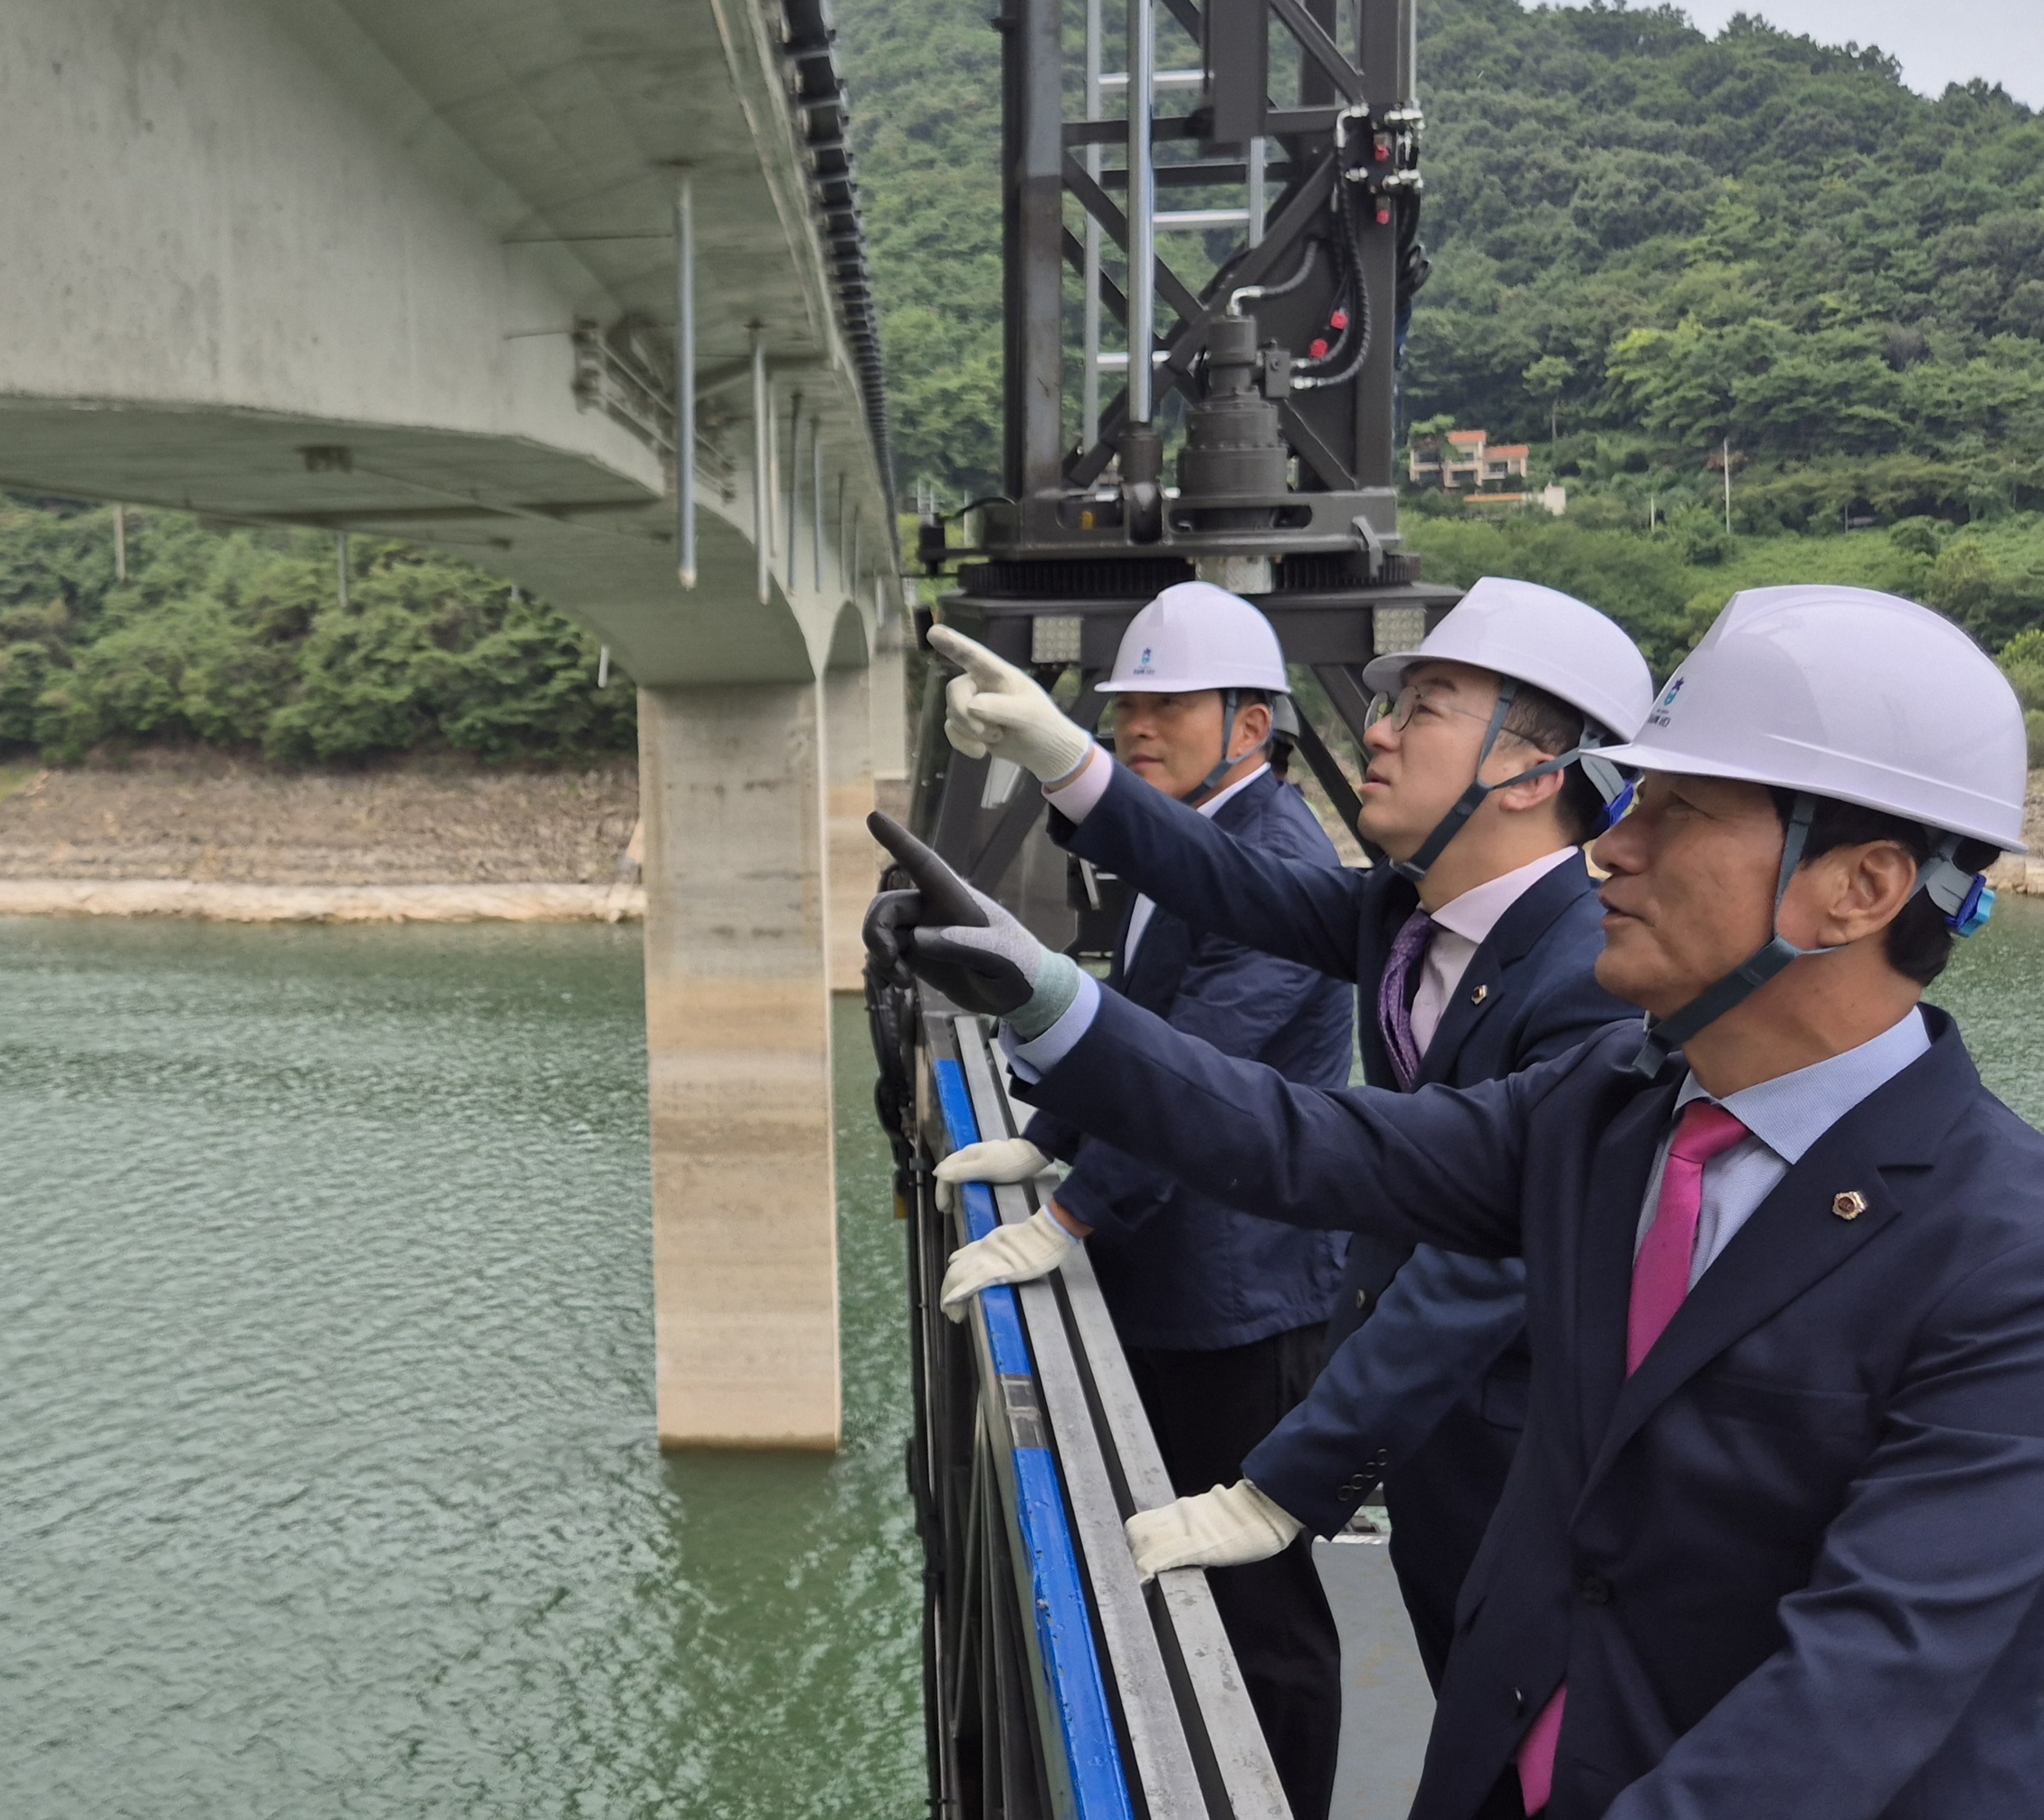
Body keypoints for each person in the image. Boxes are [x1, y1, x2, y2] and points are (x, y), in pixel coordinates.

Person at [876, 585, 2044, 1819]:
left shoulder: (2000, 1257)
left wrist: (1289, 1479)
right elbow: (1315, 1140)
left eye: (1683, 812)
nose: (1613, 848)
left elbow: (1846, 1705)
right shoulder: (1623, 1102)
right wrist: (1048, 997)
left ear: (1857, 889)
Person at [926, 579, 1651, 1682]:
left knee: (1516, 1721)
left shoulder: (1589, 981)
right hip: (1428, 1434)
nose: (1377, 728)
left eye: (1425, 707)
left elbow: (1484, 1261)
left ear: (1534, 771)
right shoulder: (1408, 914)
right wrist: (1062, 755)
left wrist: (1287, 1480)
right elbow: (1225, 876)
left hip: (1523, 1454)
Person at [928, 584, 1355, 1820]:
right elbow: (1141, 1029)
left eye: (1171, 701)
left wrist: (1060, 1217)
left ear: (1257, 722)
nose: (1141, 726)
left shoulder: (1274, 861)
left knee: (1264, 1600)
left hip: (1243, 1293)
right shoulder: (1196, 839)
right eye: (1127, 705)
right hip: (1177, 1267)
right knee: (1175, 1541)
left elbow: (1198, 1089)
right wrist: (1046, 1137)